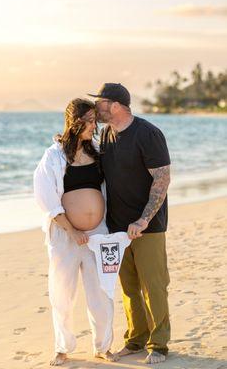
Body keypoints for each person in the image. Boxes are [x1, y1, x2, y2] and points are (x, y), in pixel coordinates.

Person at [88, 83, 171, 365]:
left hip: (148, 226)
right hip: (117, 228)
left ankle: (158, 345)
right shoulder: (107, 134)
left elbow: (162, 180)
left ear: (115, 105)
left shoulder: (148, 134)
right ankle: (136, 340)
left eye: (99, 103)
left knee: (154, 286)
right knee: (128, 287)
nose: (96, 108)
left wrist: (144, 219)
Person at [33, 98, 118, 366]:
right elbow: (47, 200)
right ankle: (63, 346)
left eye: (95, 120)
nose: (94, 126)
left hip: (98, 234)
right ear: (75, 122)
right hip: (65, 235)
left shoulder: (96, 151)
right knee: (62, 292)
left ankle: (103, 346)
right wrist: (72, 231)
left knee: (102, 292)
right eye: (89, 121)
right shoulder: (54, 156)